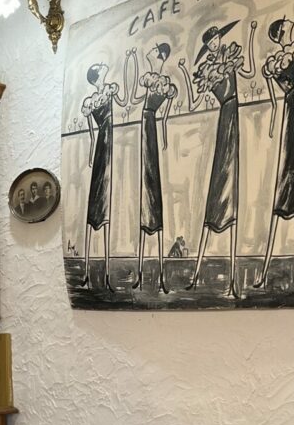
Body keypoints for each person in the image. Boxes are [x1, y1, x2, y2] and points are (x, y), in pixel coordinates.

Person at [179, 19, 257, 297]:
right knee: (220, 187)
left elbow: (249, 71)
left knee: (230, 188)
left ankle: (232, 277)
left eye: (216, 39)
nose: (215, 43)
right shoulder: (206, 70)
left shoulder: (231, 56)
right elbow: (193, 102)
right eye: (211, 42)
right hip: (226, 121)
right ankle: (202, 270)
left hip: (232, 118)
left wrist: (251, 36)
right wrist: (185, 74)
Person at [254, 13, 294, 290]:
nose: (290, 23)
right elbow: (274, 90)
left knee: (293, 185)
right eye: (286, 25)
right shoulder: (280, 59)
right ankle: (290, 272)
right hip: (292, 116)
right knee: (288, 182)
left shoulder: (293, 52)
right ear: (280, 34)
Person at [80, 52, 133, 290]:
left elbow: (124, 101)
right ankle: (90, 270)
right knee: (99, 201)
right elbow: (92, 135)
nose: (104, 66)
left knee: (104, 202)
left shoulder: (109, 91)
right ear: (96, 76)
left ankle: (104, 270)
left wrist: (130, 66)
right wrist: (91, 155)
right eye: (100, 67)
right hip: (104, 148)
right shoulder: (92, 100)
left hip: (109, 147)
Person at [128, 42, 178, 292]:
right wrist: (133, 63)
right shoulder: (150, 80)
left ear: (160, 56)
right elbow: (133, 98)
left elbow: (163, 111)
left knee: (151, 194)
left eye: (154, 50)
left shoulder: (162, 82)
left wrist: (164, 134)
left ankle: (158, 275)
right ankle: (145, 273)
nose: (150, 51)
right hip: (146, 130)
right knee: (146, 200)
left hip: (149, 132)